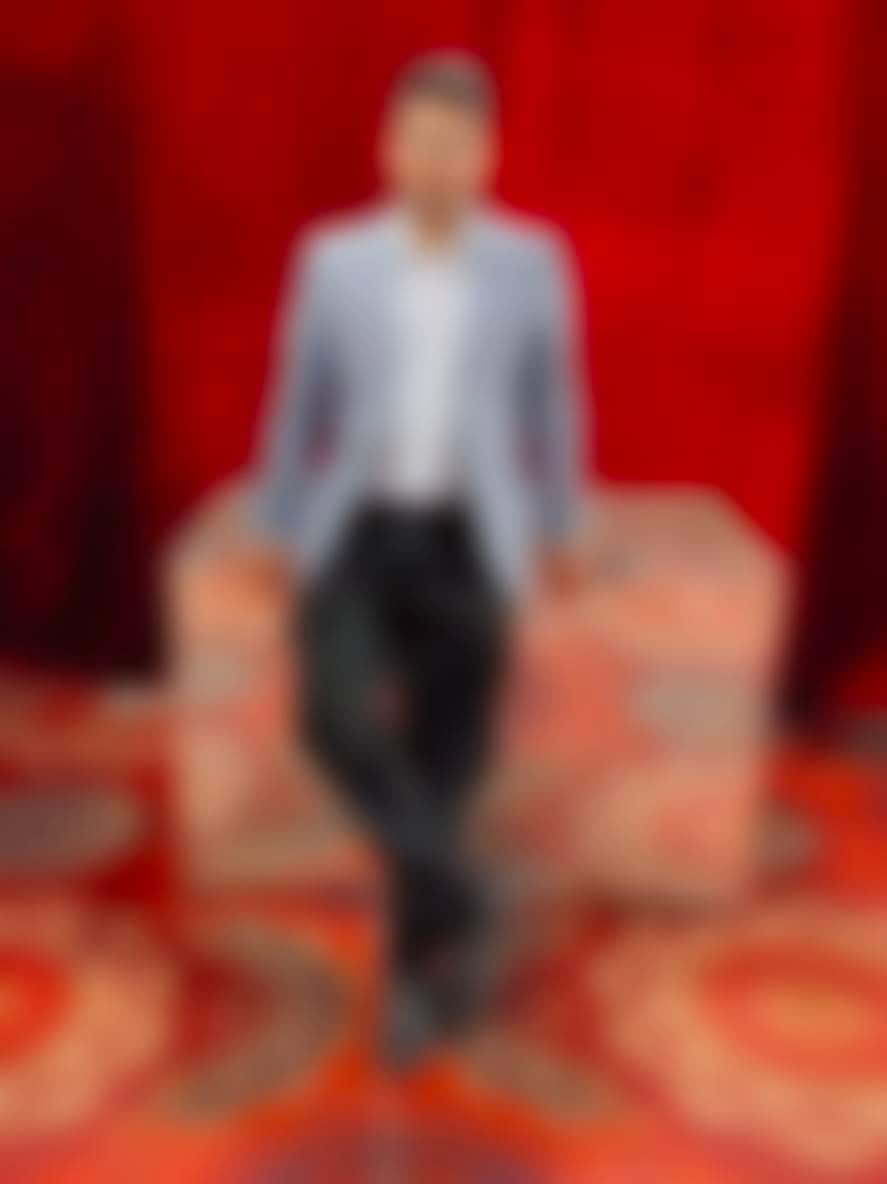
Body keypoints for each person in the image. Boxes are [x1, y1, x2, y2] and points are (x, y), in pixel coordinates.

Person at [253, 50, 586, 1064]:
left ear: (485, 156)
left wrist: (559, 524)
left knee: (447, 760)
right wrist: (278, 523)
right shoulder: (332, 259)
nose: (435, 160)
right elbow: (298, 397)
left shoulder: (531, 262)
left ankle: (412, 977)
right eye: (418, 140)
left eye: (456, 144)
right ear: (388, 148)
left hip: (466, 537)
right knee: (330, 717)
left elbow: (552, 398)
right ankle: (468, 897)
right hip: (358, 529)